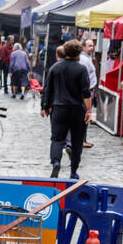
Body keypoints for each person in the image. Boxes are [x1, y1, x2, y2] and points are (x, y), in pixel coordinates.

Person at [41, 38, 91, 178]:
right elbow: (86, 93)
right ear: (78, 53)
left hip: (59, 108)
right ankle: (73, 171)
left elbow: (48, 90)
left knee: (57, 138)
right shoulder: (81, 69)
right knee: (76, 140)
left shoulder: (55, 67)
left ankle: (56, 162)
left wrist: (45, 106)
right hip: (76, 109)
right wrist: (89, 110)